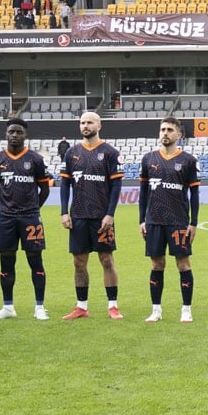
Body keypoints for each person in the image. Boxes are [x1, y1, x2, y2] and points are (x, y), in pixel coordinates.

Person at [0, 120, 54, 320]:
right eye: (11, 132)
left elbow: (45, 189)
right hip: (5, 218)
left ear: (25, 135)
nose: (14, 135)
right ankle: (8, 307)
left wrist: (32, 209)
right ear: (6, 134)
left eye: (19, 132)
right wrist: (4, 206)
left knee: (35, 260)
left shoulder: (35, 160)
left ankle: (39, 307)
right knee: (6, 261)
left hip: (30, 218)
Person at [58, 111, 124, 319]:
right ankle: (81, 307)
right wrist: (63, 212)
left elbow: (116, 186)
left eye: (89, 122)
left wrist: (110, 214)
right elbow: (65, 183)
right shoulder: (71, 153)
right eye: (82, 123)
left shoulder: (110, 153)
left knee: (106, 260)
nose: (85, 126)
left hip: (101, 217)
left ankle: (112, 305)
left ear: (99, 125)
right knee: (79, 262)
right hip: (78, 216)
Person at [138, 117, 200, 322]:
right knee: (157, 264)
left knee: (183, 264)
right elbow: (143, 193)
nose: (165, 133)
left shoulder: (188, 160)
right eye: (162, 129)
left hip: (178, 221)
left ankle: (186, 309)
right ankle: (156, 310)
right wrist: (142, 220)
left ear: (178, 135)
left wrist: (193, 223)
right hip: (154, 220)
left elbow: (195, 195)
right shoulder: (148, 159)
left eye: (170, 130)